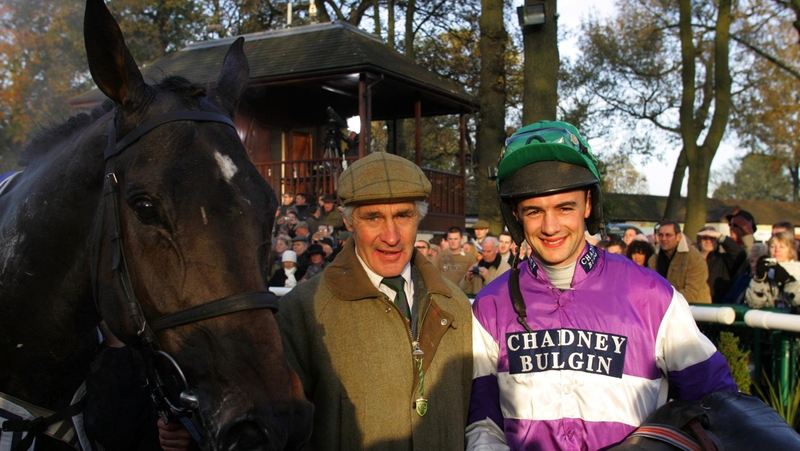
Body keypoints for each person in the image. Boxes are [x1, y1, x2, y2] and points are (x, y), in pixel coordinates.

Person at [467, 121, 735, 450]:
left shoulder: (651, 295)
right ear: (516, 216)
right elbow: (483, 422)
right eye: (534, 211)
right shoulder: (489, 305)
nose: (551, 227)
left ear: (588, 205)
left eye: (565, 208)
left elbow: (718, 404)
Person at [277, 152, 473, 450]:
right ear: (348, 221)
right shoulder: (303, 310)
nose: (391, 236)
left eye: (403, 216)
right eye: (373, 217)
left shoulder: (456, 303)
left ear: (419, 217)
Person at [647, 220, 712, 304]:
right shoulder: (653, 259)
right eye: (660, 235)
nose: (663, 239)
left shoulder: (694, 257)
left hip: (694, 310)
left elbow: (691, 293)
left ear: (679, 236)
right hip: (665, 309)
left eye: (668, 235)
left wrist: (664, 299)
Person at [745, 231, 800, 309]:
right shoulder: (766, 270)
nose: (776, 250)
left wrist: (788, 281)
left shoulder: (798, 271)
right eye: (772, 246)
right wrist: (758, 279)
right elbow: (754, 304)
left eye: (782, 247)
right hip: (769, 318)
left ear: (791, 249)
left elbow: (798, 301)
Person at [696, 226, 746, 303]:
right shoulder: (692, 261)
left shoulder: (723, 260)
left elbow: (740, 254)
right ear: (699, 241)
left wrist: (721, 237)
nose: (708, 241)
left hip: (718, 308)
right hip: (695, 306)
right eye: (705, 238)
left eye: (712, 238)